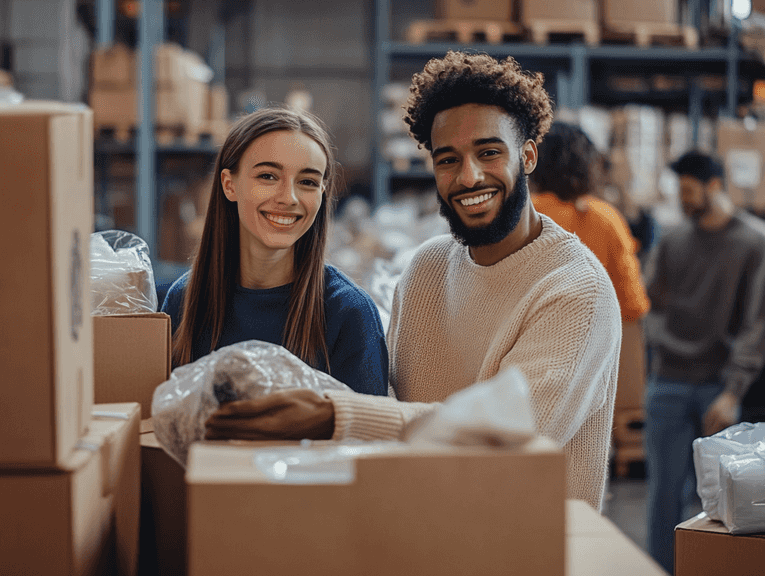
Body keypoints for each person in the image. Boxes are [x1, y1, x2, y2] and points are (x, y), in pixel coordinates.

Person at [204, 51, 622, 511]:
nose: (469, 176)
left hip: (525, 548)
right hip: (424, 536)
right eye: (448, 159)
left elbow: (504, 439)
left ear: (527, 155)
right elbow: (394, 414)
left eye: (488, 152)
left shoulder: (576, 290)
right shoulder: (427, 269)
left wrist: (333, 416)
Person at [161, 106, 388, 397]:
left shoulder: (348, 312)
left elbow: (370, 438)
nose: (288, 198)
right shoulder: (185, 300)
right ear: (229, 185)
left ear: (322, 192)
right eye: (268, 176)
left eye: (307, 182)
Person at [644, 151, 765, 573]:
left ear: (714, 186)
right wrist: (661, 343)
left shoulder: (753, 242)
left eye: (689, 191)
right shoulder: (674, 239)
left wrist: (734, 390)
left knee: (726, 502)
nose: (683, 200)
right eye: (679, 191)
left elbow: (757, 322)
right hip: (668, 383)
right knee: (663, 496)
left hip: (719, 385)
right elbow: (651, 301)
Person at [530, 122, 651, 323]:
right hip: (591, 347)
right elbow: (632, 307)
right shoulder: (604, 219)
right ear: (587, 163)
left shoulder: (520, 217)